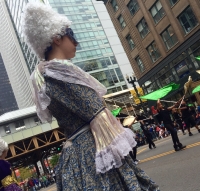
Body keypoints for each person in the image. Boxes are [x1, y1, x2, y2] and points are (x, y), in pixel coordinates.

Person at [22, 3, 159, 190]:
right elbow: (95, 110)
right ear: (56, 38)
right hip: (91, 149)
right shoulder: (57, 73)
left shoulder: (46, 74)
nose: (76, 42)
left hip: (77, 152)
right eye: (71, 34)